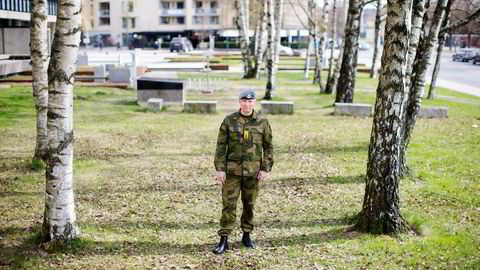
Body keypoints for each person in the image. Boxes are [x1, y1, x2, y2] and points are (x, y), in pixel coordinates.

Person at [212, 89, 274, 255]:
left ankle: (246, 236)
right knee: (228, 206)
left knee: (249, 205)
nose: (247, 104)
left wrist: (265, 168)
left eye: (250, 101)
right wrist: (219, 169)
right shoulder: (229, 120)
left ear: (254, 102)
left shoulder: (261, 121)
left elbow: (268, 146)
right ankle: (224, 240)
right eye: (244, 101)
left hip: (253, 173)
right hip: (231, 172)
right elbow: (220, 146)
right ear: (239, 102)